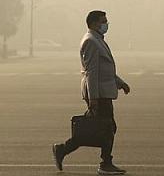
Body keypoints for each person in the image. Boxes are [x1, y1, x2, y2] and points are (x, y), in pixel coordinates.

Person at [53, 10, 131, 175]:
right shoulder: (91, 42)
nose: (106, 24)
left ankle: (62, 149)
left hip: (103, 92)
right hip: (98, 94)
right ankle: (105, 163)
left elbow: (104, 70)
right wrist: (93, 98)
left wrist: (120, 83)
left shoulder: (97, 40)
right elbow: (91, 73)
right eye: (104, 21)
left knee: (101, 128)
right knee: (107, 128)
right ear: (95, 23)